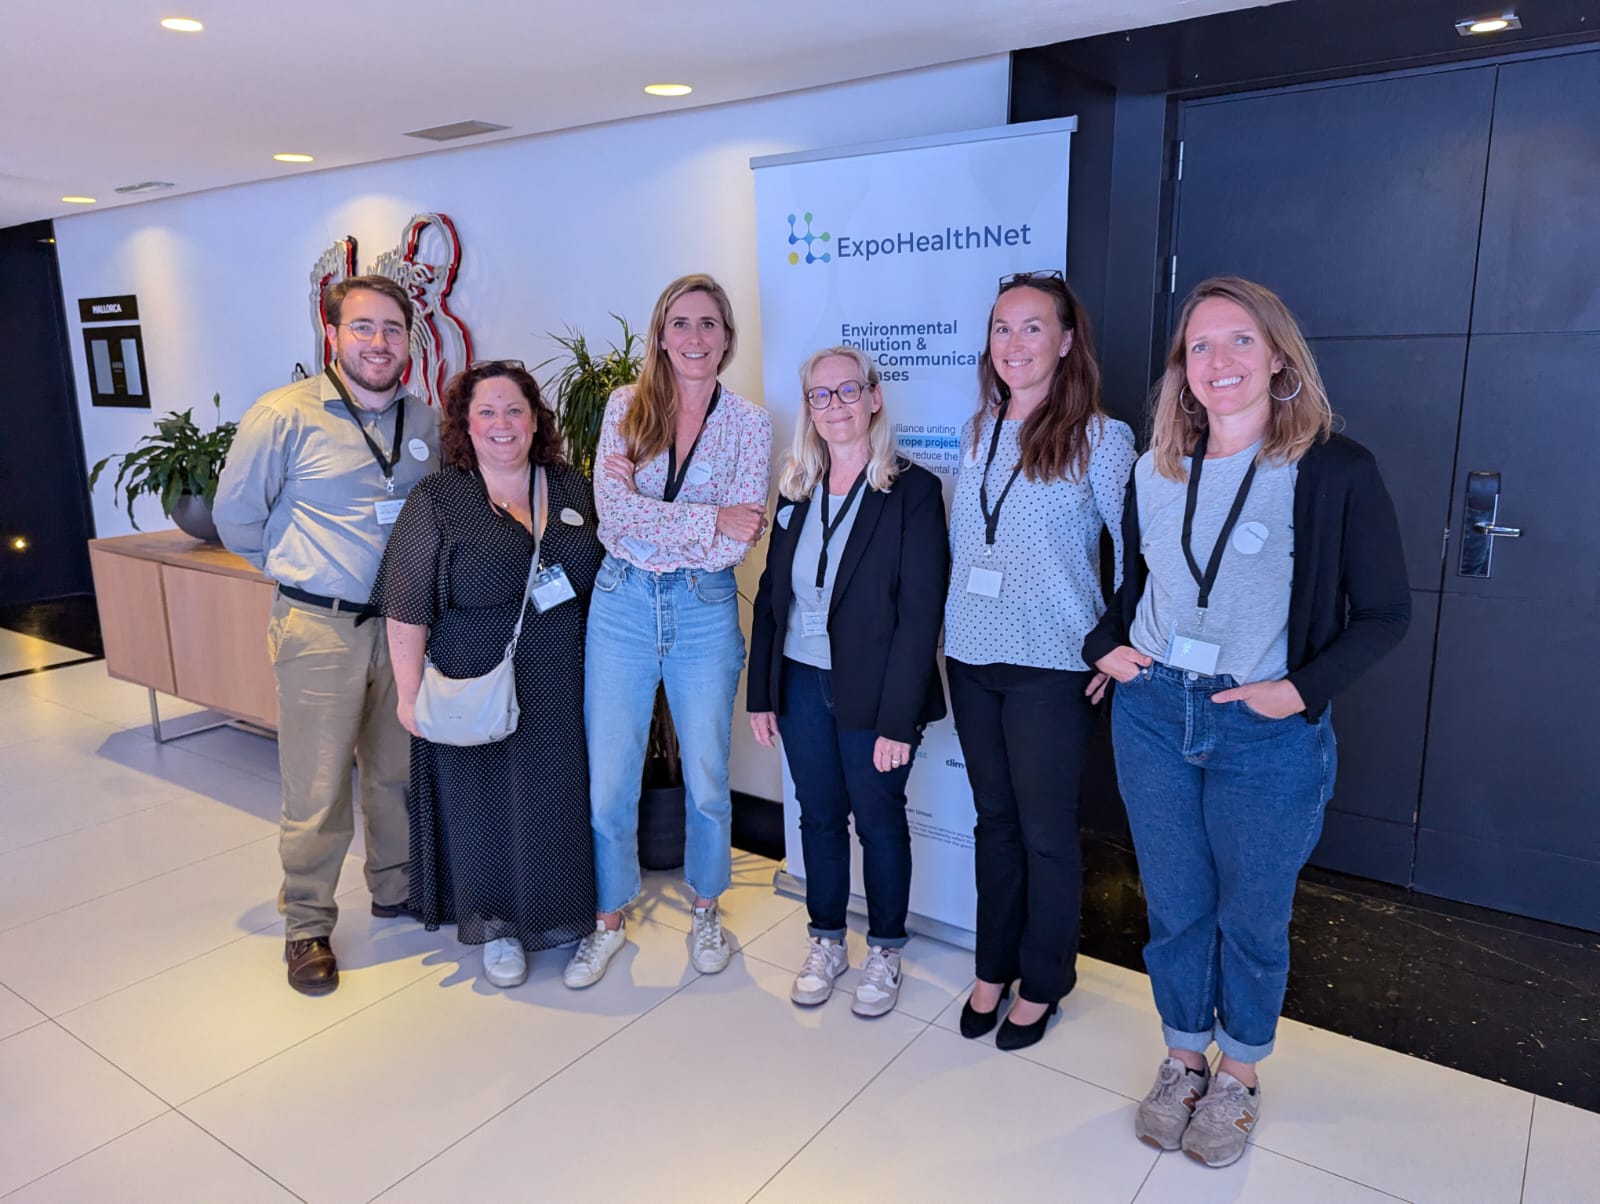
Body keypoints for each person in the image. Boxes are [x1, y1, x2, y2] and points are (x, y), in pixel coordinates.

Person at [1084, 276, 1409, 1168]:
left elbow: (1385, 612)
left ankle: (1239, 1074)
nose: (1218, 361)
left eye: (1239, 341)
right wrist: (1106, 646)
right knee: (1174, 903)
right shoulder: (1155, 471)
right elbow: (1137, 587)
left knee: (1253, 915)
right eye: (1199, 346)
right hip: (1154, 714)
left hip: (1262, 729)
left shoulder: (1334, 470)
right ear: (1181, 370)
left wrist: (1296, 692)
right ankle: (1184, 1057)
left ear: (1277, 357)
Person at [214, 274, 441, 995]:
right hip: (319, 626)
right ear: (334, 334)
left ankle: (396, 886)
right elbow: (236, 520)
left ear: (409, 341)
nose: (379, 342)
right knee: (316, 786)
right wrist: (304, 575)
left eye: (393, 329)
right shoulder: (283, 414)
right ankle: (307, 923)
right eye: (363, 327)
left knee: (396, 773)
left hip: (402, 629)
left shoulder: (425, 421)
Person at [944, 270, 1136, 1051]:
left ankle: (1045, 980)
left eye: (1032, 327)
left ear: (1064, 341)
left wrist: (1113, 642)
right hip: (969, 654)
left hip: (1052, 663)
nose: (1014, 343)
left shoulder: (1102, 438)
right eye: (1002, 327)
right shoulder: (975, 430)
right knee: (994, 821)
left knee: (1046, 832)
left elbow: (1135, 551)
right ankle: (992, 968)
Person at [564, 273, 772, 988]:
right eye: (680, 323)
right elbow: (612, 512)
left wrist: (677, 526)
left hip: (702, 607)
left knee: (709, 778)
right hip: (621, 604)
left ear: (727, 337)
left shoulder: (749, 423)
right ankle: (609, 920)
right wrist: (707, 519)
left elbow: (738, 539)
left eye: (708, 323)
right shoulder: (627, 405)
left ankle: (707, 909)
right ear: (660, 333)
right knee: (610, 780)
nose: (694, 337)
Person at [371, 361, 602, 988]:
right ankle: (496, 925)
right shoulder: (439, 499)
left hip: (563, 681)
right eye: (487, 412)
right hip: (473, 683)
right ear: (465, 426)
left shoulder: (572, 487)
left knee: (558, 800)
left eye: (515, 410)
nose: (503, 424)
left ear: (536, 421)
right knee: (484, 804)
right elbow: (406, 606)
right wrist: (409, 696)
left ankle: (565, 914)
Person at [747, 346, 948, 1017]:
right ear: (809, 408)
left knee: (880, 821)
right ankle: (827, 940)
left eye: (847, 391)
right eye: (819, 395)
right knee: (820, 817)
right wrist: (761, 693)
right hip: (801, 683)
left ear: (874, 397)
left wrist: (898, 721)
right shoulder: (797, 487)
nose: (834, 406)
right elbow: (773, 597)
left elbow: (920, 618)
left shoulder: (912, 491)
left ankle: (885, 949)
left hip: (877, 691)